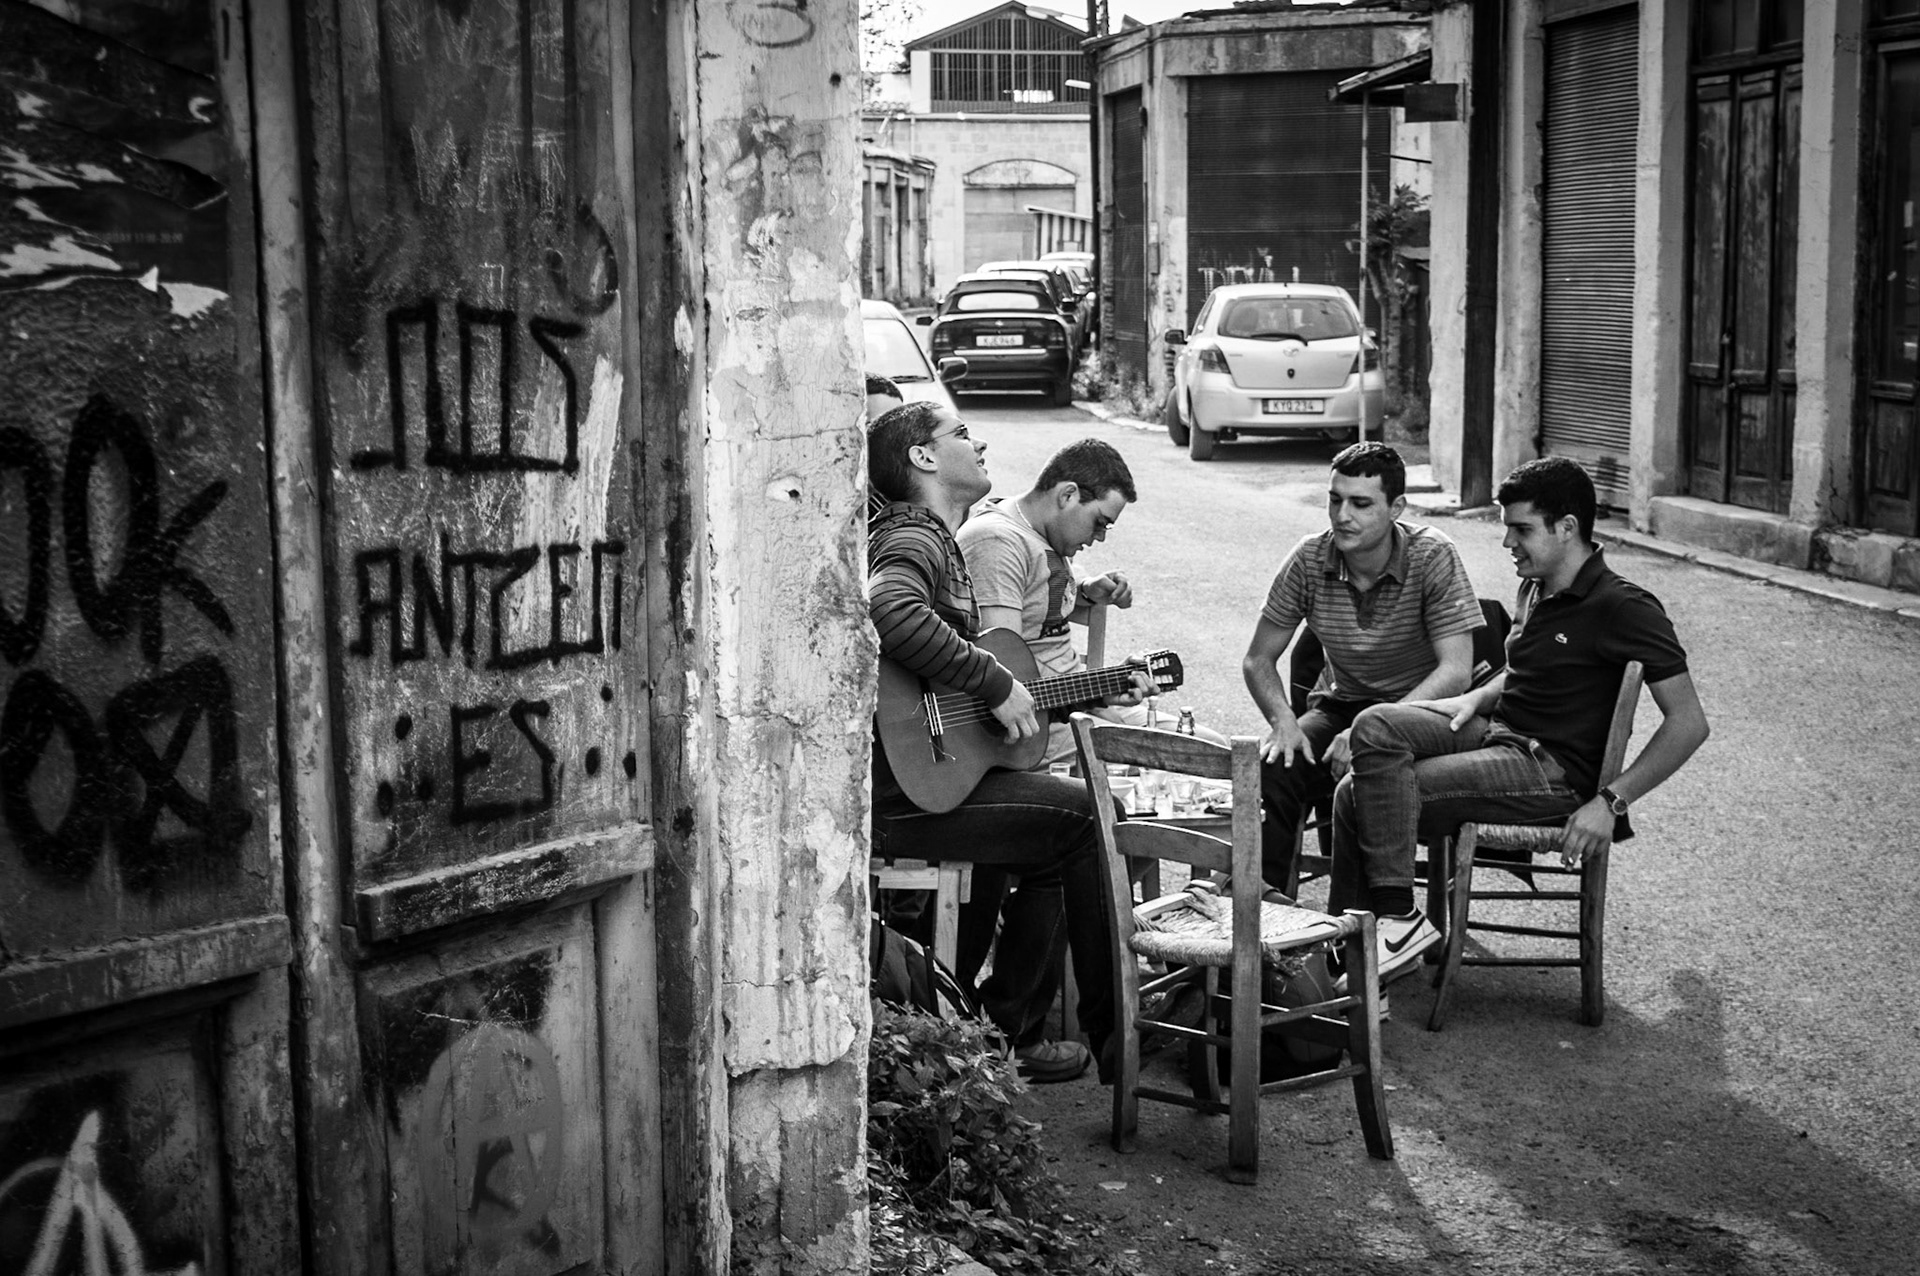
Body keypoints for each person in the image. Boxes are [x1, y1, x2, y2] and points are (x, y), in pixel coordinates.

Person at [1329, 456, 1710, 981]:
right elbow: (1527, 668)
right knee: (1374, 725)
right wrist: (1477, 698)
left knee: (1360, 794)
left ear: (1567, 528)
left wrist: (1611, 802)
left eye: (1521, 529)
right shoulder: (1537, 588)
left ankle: (1374, 941)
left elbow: (1689, 723)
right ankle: (1373, 936)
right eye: (1507, 528)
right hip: (1498, 737)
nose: (1508, 543)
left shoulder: (1623, 607)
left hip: (1549, 773)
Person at [867, 401, 1114, 1082]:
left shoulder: (927, 534)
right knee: (1084, 817)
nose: (978, 445)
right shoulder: (914, 534)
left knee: (1042, 843)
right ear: (922, 458)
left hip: (921, 774)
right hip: (899, 794)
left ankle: (996, 1033)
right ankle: (1115, 1035)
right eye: (961, 436)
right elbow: (888, 610)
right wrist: (993, 681)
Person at [1242, 442, 1484, 893]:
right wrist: (1283, 722)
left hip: (1420, 717)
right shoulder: (1310, 558)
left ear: (1396, 508)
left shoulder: (1432, 555)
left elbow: (1456, 672)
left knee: (1363, 788)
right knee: (1273, 766)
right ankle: (1267, 922)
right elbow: (1258, 658)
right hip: (1344, 704)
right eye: (1335, 500)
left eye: (1360, 503)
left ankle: (1357, 937)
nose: (1341, 516)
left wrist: (1375, 729)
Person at [958, 438, 1212, 768]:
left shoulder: (1040, 532)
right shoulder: (996, 542)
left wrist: (1088, 590)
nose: (1101, 537)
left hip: (1078, 700)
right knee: (1198, 765)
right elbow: (1006, 674)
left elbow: (1038, 596)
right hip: (1038, 727)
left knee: (1212, 747)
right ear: (1067, 495)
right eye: (1100, 522)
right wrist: (1096, 693)